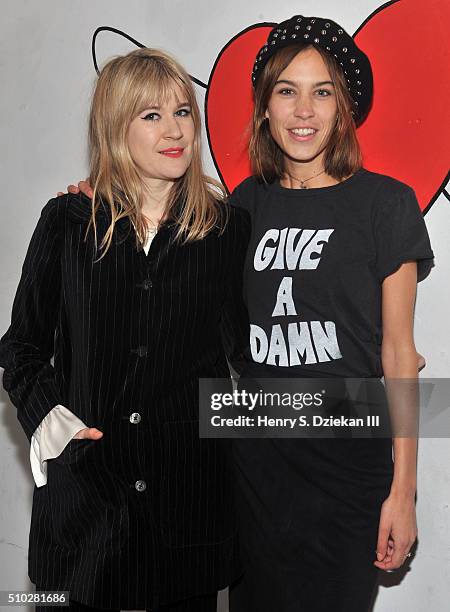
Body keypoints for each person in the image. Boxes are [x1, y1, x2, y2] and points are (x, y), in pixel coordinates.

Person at [0, 48, 250, 611]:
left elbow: (247, 356)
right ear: (117, 126)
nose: (174, 131)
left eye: (183, 112)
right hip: (89, 501)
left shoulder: (227, 229)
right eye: (151, 115)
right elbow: (22, 346)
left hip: (187, 499)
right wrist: (49, 416)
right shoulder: (66, 222)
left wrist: (363, 405)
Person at [224, 15, 434, 612]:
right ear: (265, 106)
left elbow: (399, 355)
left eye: (322, 92)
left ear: (344, 109)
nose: (303, 111)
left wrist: (403, 492)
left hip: (346, 469)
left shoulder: (386, 205)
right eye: (286, 91)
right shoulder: (245, 205)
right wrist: (100, 195)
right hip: (255, 465)